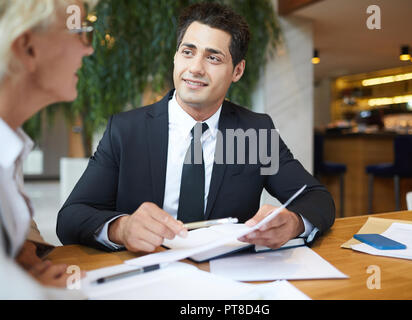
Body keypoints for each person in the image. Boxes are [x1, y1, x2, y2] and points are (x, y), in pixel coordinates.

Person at [57, 2, 335, 254]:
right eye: (188, 52)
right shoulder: (126, 130)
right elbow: (71, 217)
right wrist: (122, 228)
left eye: (213, 58)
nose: (196, 68)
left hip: (228, 278)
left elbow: (316, 198)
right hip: (146, 273)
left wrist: (294, 222)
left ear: (237, 71)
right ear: (175, 57)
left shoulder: (254, 133)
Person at [0, 0, 97, 298]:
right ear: (27, 48)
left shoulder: (9, 151)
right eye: (80, 32)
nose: (88, 48)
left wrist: (19, 260)